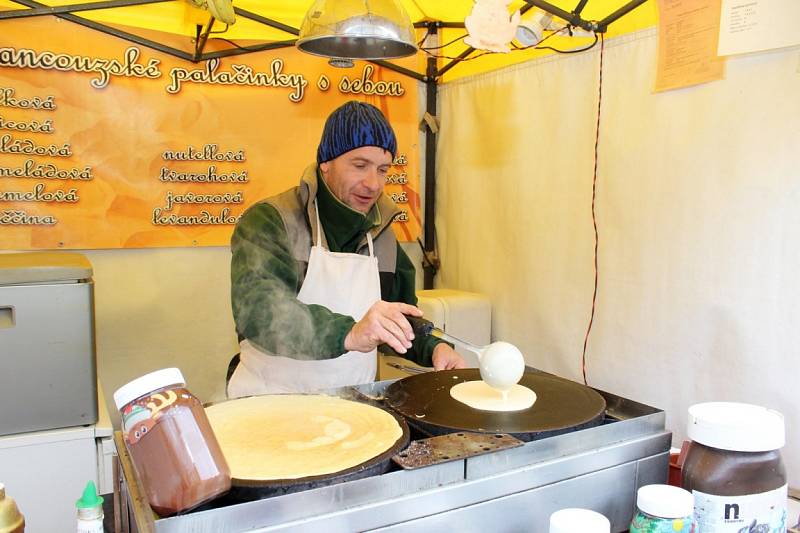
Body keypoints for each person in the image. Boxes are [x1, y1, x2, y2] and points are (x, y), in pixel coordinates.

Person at [227, 100, 465, 396]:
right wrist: (349, 333)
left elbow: (400, 319)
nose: (373, 183)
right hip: (270, 402)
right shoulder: (273, 221)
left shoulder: (382, 237)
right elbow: (259, 312)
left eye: (382, 169)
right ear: (325, 162)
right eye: (360, 165)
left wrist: (435, 347)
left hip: (353, 409)